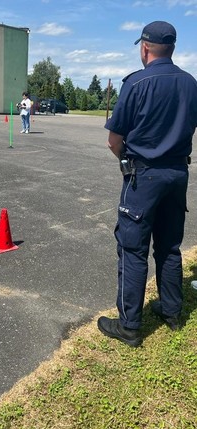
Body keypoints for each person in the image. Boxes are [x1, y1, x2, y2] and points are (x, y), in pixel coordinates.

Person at [97, 21, 197, 347]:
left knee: (132, 249)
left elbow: (114, 140)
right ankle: (171, 311)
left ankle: (130, 325)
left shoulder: (136, 83)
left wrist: (126, 161)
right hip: (177, 174)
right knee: (168, 246)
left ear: (144, 47)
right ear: (173, 47)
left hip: (144, 176)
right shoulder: (190, 83)